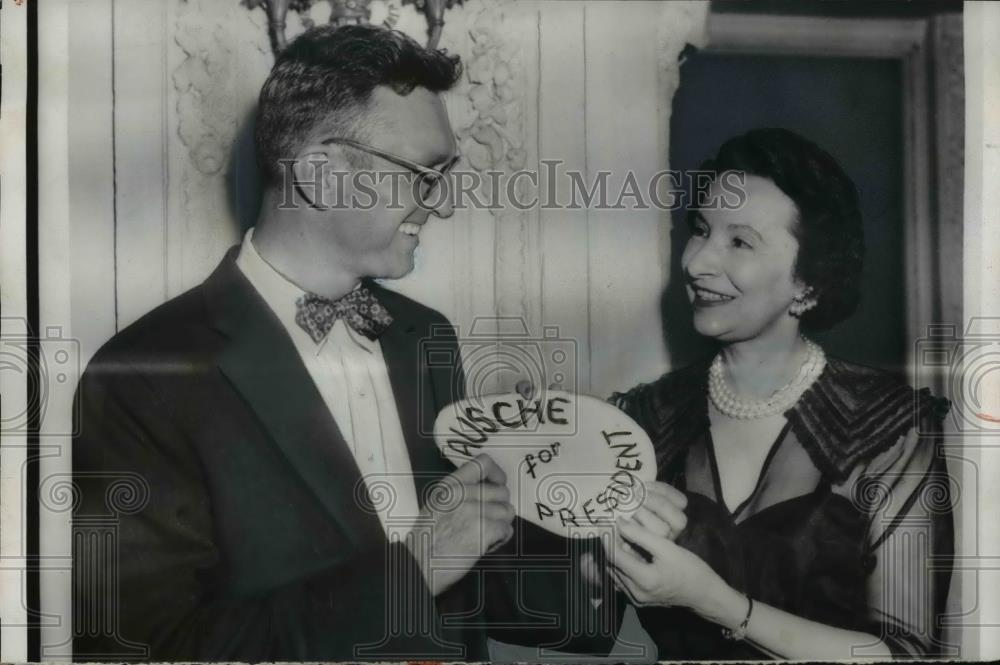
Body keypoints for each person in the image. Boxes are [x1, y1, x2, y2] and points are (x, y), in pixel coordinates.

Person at [72, 24, 608, 662]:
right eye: (423, 175)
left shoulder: (422, 336)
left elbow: (468, 588)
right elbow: (141, 649)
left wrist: (590, 556)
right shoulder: (145, 377)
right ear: (322, 176)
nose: (438, 205)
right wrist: (417, 569)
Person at [600, 128, 954, 659]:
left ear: (807, 282)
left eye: (739, 242)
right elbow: (587, 617)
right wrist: (598, 559)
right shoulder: (645, 417)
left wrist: (715, 602)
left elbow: (908, 653)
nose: (697, 262)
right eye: (701, 230)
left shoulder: (892, 428)